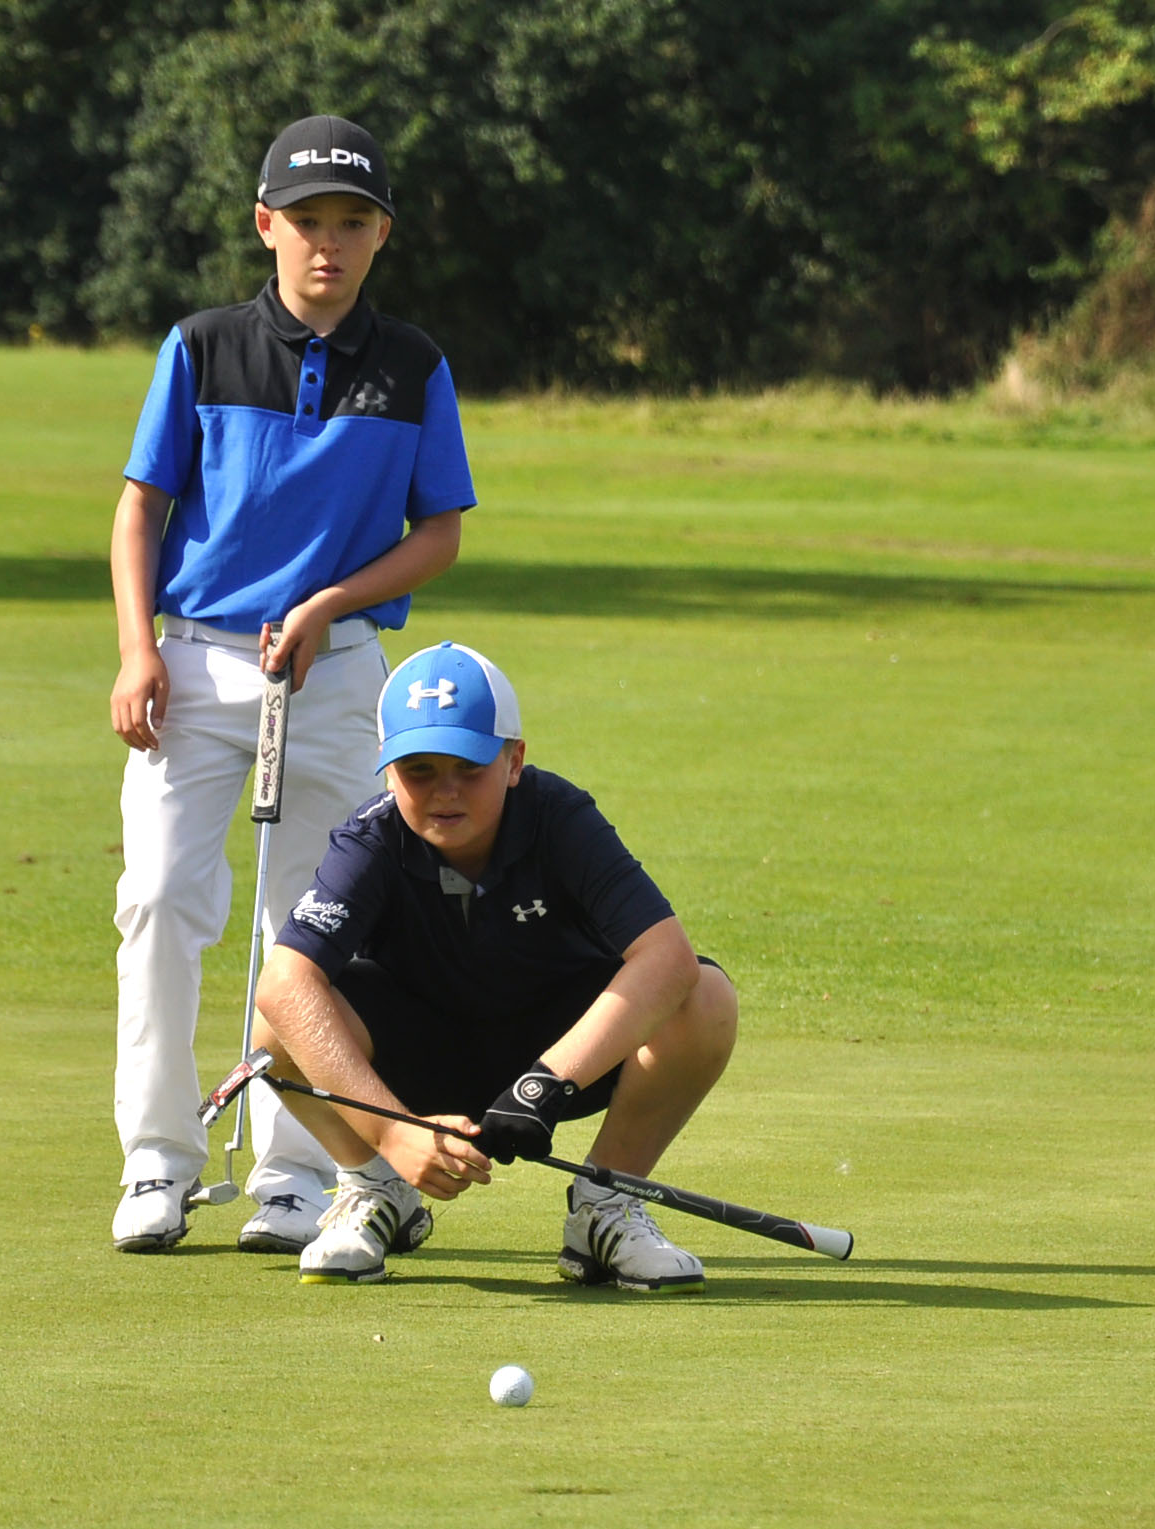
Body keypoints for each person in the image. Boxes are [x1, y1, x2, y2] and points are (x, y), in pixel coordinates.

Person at [107, 115, 474, 1255]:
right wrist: (136, 647)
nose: (327, 243)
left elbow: (440, 533)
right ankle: (159, 1160)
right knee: (163, 899)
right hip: (198, 660)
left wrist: (325, 606)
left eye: (350, 223)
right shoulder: (204, 346)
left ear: (380, 235)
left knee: (311, 932)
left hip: (335, 668)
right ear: (266, 225)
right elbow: (141, 509)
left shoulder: (412, 366)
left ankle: (294, 1173)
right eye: (306, 221)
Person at [250, 642, 739, 1289]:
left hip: (561, 1051)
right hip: (416, 1065)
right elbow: (284, 983)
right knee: (276, 1032)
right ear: (387, 772)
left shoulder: (560, 818)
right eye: (419, 769)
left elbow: (666, 958)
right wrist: (393, 1134)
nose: (444, 791)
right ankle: (376, 1189)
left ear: (513, 761)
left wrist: (547, 1082)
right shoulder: (371, 839)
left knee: (703, 994)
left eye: (469, 766)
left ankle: (605, 1203)